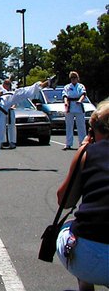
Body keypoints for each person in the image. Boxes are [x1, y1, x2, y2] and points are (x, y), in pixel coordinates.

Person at [56, 100, 109, 290]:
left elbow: (65, 201)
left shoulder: (89, 152)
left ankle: (85, 287)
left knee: (69, 228)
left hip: (91, 253)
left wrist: (81, 152)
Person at [63, 71, 87, 150]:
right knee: (69, 126)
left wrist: (80, 100)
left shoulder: (81, 86)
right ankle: (68, 143)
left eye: (74, 77)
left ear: (77, 78)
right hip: (69, 107)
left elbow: (83, 94)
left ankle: (82, 143)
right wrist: (66, 103)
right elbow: (65, 96)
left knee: (81, 126)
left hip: (78, 106)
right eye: (72, 78)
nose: (73, 79)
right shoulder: (67, 87)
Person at [1, 79, 17, 150]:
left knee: (12, 126)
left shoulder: (12, 93)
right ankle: (2, 142)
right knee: (1, 126)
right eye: (5, 83)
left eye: (8, 84)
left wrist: (13, 106)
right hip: (2, 110)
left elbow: (14, 102)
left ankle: (12, 142)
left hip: (11, 110)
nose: (7, 85)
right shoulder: (0, 92)